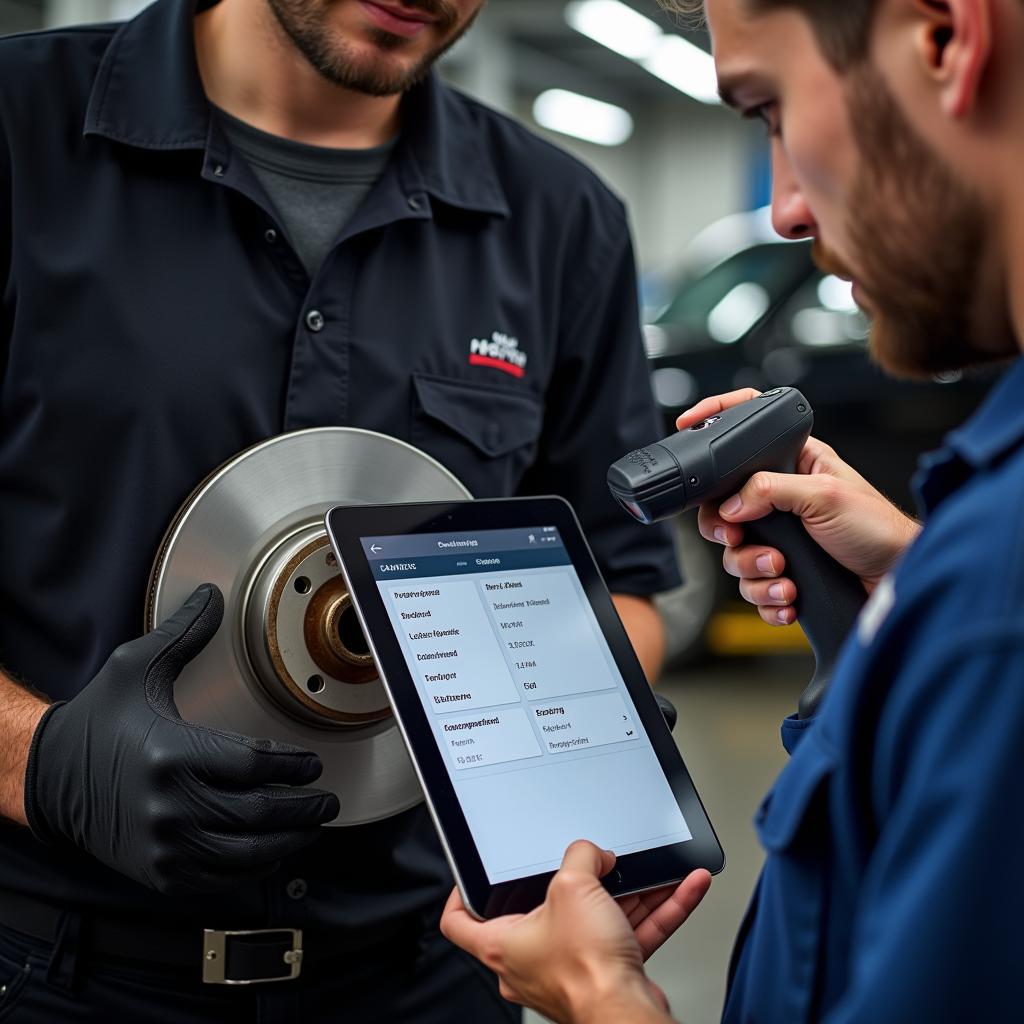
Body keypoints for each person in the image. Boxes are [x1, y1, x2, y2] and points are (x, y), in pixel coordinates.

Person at [0, 0, 680, 1019]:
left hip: (425, 973)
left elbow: (623, 586)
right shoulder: (19, 133)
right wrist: (38, 760)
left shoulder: (561, 221)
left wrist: (573, 711)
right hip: (57, 971)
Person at [442, 0, 1024, 1021]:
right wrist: (911, 598)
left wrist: (598, 995)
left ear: (943, 39)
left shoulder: (994, 594)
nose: (789, 207)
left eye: (768, 108)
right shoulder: (968, 574)